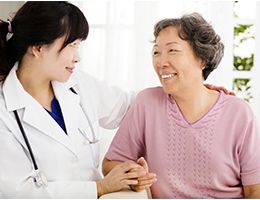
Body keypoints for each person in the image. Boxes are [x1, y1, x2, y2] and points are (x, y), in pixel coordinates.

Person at [0, 2, 150, 198]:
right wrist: (100, 187)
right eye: (72, 45)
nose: (77, 57)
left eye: (78, 45)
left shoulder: (77, 84)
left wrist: (187, 90)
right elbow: (18, 191)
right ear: (37, 48)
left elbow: (131, 107)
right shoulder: (4, 111)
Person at [103, 13, 260, 198]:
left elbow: (255, 190)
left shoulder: (238, 113)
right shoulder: (147, 103)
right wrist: (135, 175)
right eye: (156, 52)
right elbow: (111, 164)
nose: (161, 62)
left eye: (172, 51)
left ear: (202, 59)